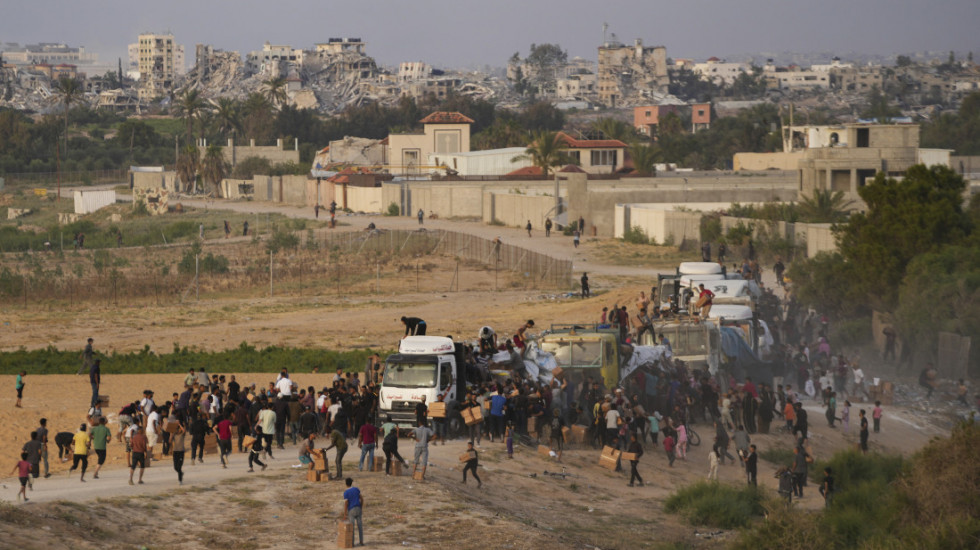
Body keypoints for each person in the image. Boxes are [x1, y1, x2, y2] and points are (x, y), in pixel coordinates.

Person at [343, 478, 365, 547]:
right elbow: (361, 498)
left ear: (346, 484)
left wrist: (345, 513)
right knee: (360, 526)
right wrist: (361, 507)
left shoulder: (346, 493)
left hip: (351, 510)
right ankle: (361, 541)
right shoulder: (356, 489)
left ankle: (352, 543)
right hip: (358, 508)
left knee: (352, 527)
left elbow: (346, 503)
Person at [172, 419, 187, 484]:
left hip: (181, 451)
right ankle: (181, 473)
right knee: (175, 467)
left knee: (179, 466)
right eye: (178, 429)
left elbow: (184, 430)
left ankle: (180, 480)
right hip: (175, 451)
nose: (179, 430)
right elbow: (170, 440)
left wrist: (179, 424)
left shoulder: (182, 435)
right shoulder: (174, 435)